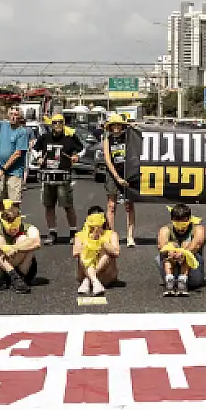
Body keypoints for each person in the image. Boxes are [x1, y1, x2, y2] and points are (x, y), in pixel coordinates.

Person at [33, 114, 83, 243]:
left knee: (68, 206)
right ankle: (52, 233)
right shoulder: (44, 137)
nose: (57, 125)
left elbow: (82, 149)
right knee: (49, 206)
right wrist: (38, 157)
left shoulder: (69, 138)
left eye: (60, 122)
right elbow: (34, 149)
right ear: (51, 124)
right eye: (55, 123)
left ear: (64, 123)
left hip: (63, 176)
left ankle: (73, 232)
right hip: (47, 175)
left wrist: (76, 156)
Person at [0, 202, 41, 293]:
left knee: (24, 239)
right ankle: (12, 277)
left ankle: (19, 277)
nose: (12, 230)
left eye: (15, 226)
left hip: (23, 268)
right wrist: (4, 247)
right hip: (0, 267)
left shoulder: (29, 228)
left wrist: (15, 248)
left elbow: (36, 242)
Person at [99, 113, 136, 245]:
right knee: (111, 205)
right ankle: (111, 235)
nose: (116, 127)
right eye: (114, 125)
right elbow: (108, 161)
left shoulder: (129, 138)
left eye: (118, 125)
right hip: (112, 175)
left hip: (128, 173)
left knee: (129, 205)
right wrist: (117, 178)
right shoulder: (107, 140)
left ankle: (130, 236)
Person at [157, 202, 206, 295]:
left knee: (186, 245)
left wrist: (183, 253)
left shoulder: (198, 228)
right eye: (177, 222)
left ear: (189, 219)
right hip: (172, 264)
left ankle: (183, 280)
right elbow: (161, 245)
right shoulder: (165, 229)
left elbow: (197, 244)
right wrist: (170, 251)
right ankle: (169, 280)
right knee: (168, 247)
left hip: (193, 272)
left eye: (183, 223)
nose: (180, 227)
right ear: (172, 220)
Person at [71, 205, 121, 295]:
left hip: (106, 276)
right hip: (83, 273)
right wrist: (89, 242)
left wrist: (101, 241)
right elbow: (75, 253)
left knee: (106, 253)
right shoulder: (80, 235)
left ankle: (89, 279)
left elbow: (116, 252)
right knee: (83, 252)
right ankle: (94, 280)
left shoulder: (112, 234)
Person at [0, 106, 30, 213]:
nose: (13, 117)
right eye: (11, 114)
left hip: (14, 172)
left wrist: (3, 170)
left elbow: (17, 153)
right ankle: (3, 226)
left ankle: (14, 227)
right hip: (0, 170)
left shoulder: (22, 132)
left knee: (14, 204)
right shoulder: (3, 125)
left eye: (16, 115)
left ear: (20, 118)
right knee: (1, 201)